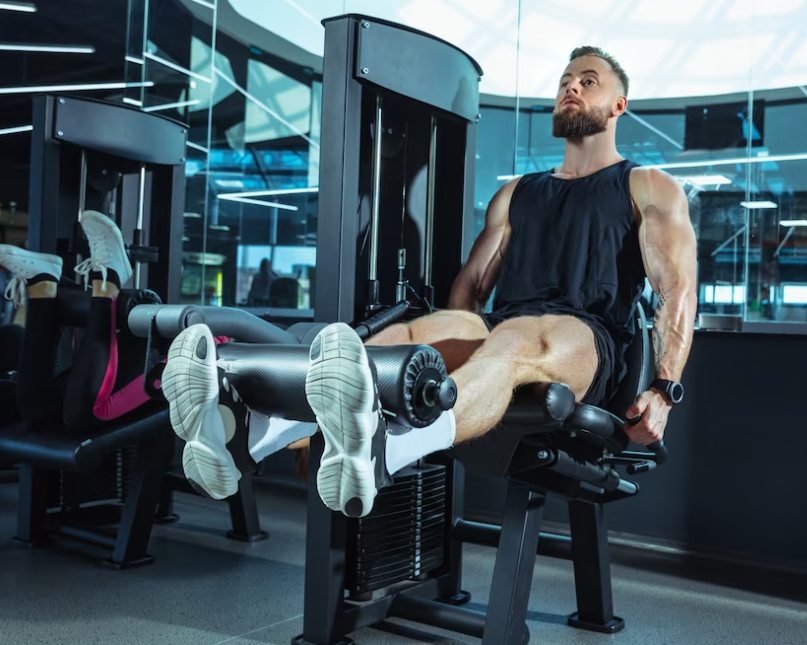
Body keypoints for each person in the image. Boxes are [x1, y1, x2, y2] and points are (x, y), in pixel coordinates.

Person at [161, 45, 698, 518]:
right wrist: (450, 337)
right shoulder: (518, 193)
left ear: (618, 105)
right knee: (407, 338)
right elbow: (470, 289)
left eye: (587, 81)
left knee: (514, 338)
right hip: (504, 326)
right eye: (564, 82)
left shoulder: (646, 185)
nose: (571, 88)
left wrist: (664, 390)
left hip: (587, 340)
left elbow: (677, 291)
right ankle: (248, 438)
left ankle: (385, 452)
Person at [0, 211, 155, 432]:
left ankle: (108, 277)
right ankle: (43, 284)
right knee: (36, 409)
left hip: (174, 358)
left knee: (81, 411)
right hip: (153, 352)